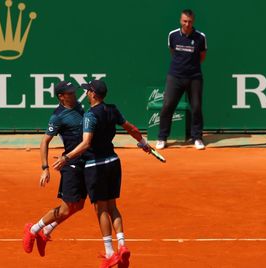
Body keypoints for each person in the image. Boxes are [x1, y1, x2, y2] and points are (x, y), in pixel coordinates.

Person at [53, 80, 151, 268]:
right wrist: (143, 143)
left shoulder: (90, 115)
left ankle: (109, 253)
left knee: (101, 210)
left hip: (95, 167)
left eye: (88, 91)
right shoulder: (112, 109)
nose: (86, 93)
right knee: (113, 206)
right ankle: (122, 245)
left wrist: (67, 157)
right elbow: (131, 128)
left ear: (94, 94)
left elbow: (86, 143)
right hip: (113, 163)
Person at [23, 81, 87, 257]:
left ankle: (47, 232)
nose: (74, 94)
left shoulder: (79, 106)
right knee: (66, 208)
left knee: (79, 205)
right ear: (61, 97)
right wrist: (45, 168)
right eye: (70, 93)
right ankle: (33, 229)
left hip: (85, 162)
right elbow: (44, 141)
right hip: (71, 164)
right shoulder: (57, 116)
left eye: (74, 92)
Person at [157, 9, 207, 150]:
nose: (187, 24)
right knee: (167, 106)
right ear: (180, 21)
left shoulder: (200, 37)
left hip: (194, 78)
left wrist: (191, 67)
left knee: (196, 107)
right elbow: (173, 52)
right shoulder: (172, 35)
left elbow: (202, 56)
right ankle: (162, 137)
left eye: (190, 21)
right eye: (185, 21)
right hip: (175, 77)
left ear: (193, 22)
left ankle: (197, 138)